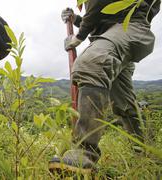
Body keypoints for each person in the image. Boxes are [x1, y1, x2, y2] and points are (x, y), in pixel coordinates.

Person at [49, 0, 161, 173]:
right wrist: (78, 19)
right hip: (114, 32)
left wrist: (78, 37)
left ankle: (84, 152)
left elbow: (101, 4)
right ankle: (147, 154)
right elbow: (105, 15)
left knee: (91, 62)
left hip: (129, 27)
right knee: (124, 104)